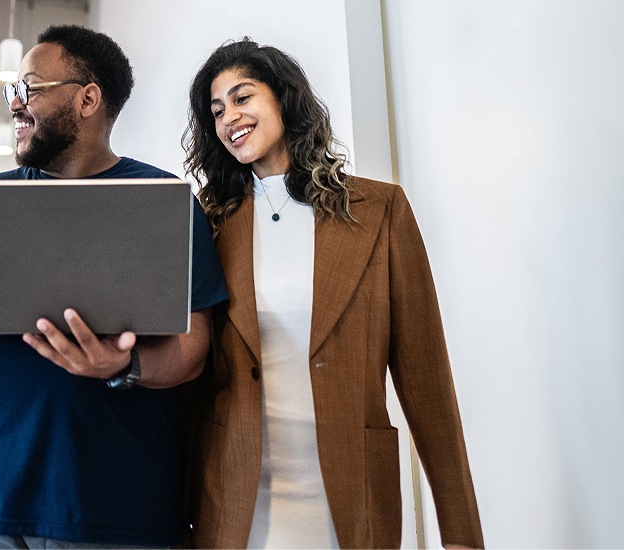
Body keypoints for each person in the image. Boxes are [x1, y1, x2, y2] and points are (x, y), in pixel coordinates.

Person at [0, 25, 229, 548]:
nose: (14, 106)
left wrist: (122, 366)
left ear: (88, 98)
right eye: (11, 92)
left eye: (28, 89)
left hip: (118, 510)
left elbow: (194, 347)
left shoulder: (166, 203)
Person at [182, 38, 483, 548]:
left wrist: (460, 532)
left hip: (351, 496)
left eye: (242, 97)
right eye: (216, 110)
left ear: (284, 99)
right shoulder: (207, 225)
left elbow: (427, 378)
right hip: (234, 503)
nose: (229, 116)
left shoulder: (379, 210)